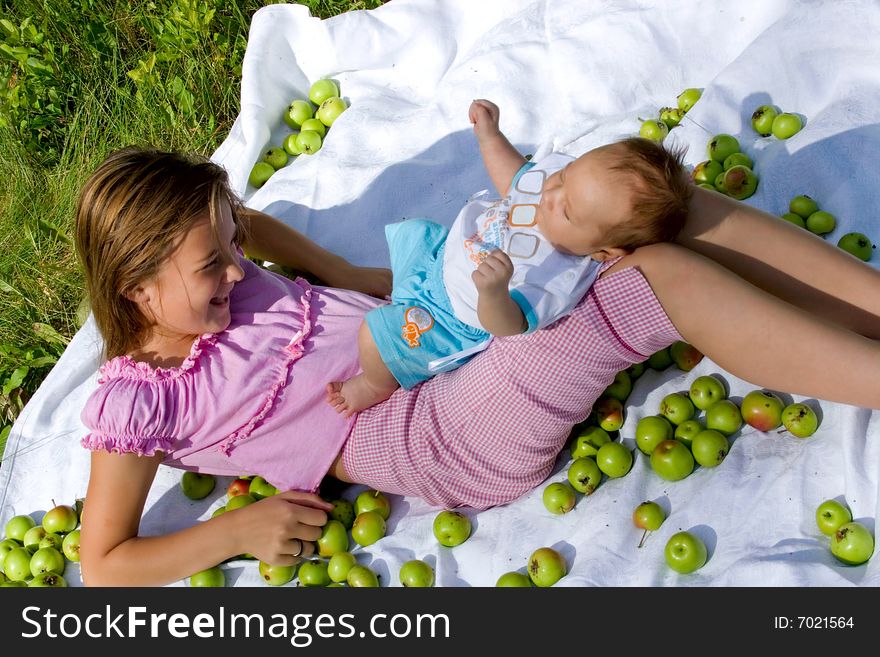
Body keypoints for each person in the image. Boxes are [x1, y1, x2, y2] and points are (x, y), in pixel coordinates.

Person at [74, 144, 880, 587]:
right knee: (650, 281)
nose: (236, 269)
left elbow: (253, 223)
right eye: (213, 266)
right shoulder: (141, 400)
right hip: (429, 431)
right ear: (135, 290)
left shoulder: (217, 255)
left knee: (649, 193)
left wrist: (351, 278)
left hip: (438, 334)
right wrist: (235, 531)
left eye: (228, 249)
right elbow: (102, 563)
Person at [326, 99, 692, 416]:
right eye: (564, 177)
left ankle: (375, 384)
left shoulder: (555, 276)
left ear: (603, 252)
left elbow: (510, 324)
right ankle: (400, 289)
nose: (550, 195)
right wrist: (490, 136)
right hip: (440, 260)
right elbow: (518, 181)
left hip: (453, 316)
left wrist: (494, 294)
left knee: (374, 335)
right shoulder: (562, 190)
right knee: (411, 231)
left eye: (566, 211)